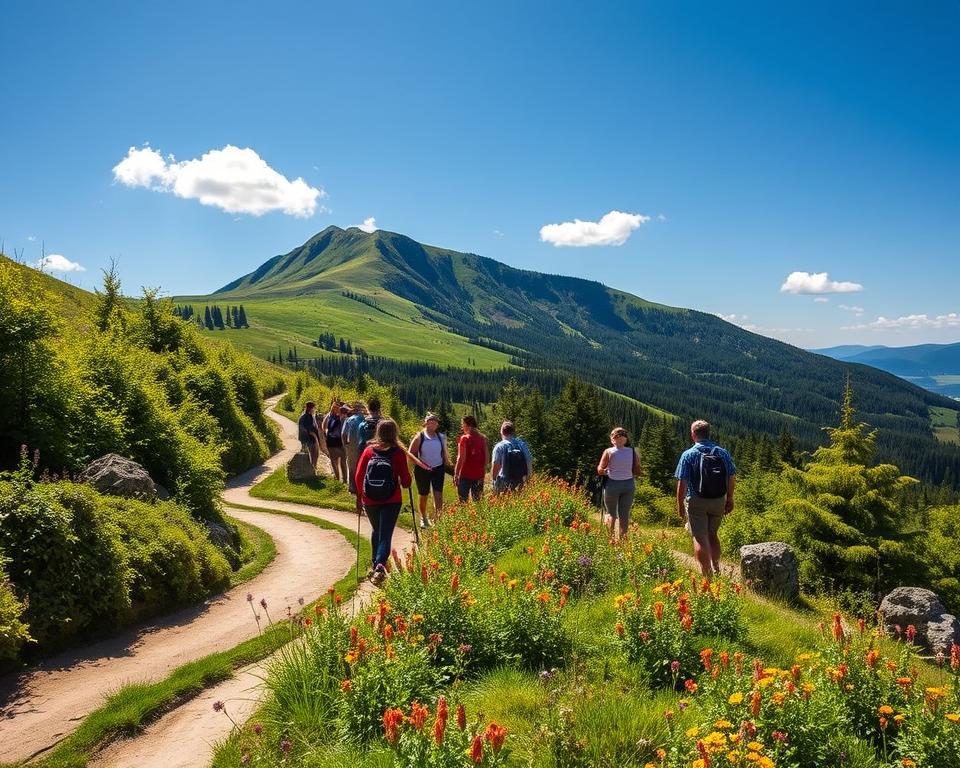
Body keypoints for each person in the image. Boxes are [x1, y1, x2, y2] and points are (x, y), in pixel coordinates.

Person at [674, 419, 737, 577]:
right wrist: (729, 498)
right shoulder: (722, 452)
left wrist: (680, 505)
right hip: (718, 500)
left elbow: (682, 482)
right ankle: (716, 568)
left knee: (700, 537)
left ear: (693, 434)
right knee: (713, 534)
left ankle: (706, 574)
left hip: (696, 500)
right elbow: (731, 476)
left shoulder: (688, 454)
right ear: (708, 433)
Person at [355, 419, 412, 586]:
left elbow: (358, 477)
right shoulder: (398, 453)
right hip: (391, 500)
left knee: (377, 530)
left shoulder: (368, 451)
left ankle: (375, 564)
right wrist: (408, 480)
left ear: (378, 432)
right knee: (385, 535)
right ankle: (380, 566)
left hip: (370, 499)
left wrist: (359, 497)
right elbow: (406, 481)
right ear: (395, 433)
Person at [597, 427, 642, 538]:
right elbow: (637, 470)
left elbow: (600, 470)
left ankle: (610, 539)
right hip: (628, 485)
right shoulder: (632, 451)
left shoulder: (609, 451)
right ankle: (623, 540)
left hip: (612, 485)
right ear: (626, 439)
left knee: (611, 513)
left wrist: (605, 471)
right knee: (624, 515)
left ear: (612, 439)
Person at [408, 413, 450, 528]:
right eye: (430, 421)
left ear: (437, 424)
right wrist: (420, 464)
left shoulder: (441, 437)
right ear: (425, 423)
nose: (433, 423)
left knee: (438, 494)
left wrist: (447, 463)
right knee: (423, 494)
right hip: (422, 470)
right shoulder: (419, 437)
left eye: (435, 422)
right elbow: (410, 454)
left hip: (438, 468)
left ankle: (439, 520)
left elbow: (444, 453)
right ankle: (423, 518)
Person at [490, 421, 532, 494]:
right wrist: (528, 478)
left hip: (504, 483)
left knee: (505, 503)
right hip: (520, 480)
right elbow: (529, 460)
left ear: (501, 432)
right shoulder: (521, 444)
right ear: (513, 432)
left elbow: (496, 466)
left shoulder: (499, 446)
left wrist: (494, 482)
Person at [454, 415, 487, 503]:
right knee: (478, 502)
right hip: (479, 474)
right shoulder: (483, 438)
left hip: (465, 474)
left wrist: (456, 474)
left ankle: (465, 517)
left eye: (462, 424)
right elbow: (486, 458)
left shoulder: (464, 438)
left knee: (463, 502)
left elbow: (461, 458)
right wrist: (483, 472)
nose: (462, 427)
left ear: (467, 425)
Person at [343, 401, 366, 501]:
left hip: (351, 446)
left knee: (352, 467)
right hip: (363, 446)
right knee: (362, 467)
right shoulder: (366, 420)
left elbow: (344, 434)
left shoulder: (349, 420)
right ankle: (362, 487)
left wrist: (346, 445)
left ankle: (352, 488)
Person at [322, 401, 348, 483]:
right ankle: (341, 480)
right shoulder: (331, 416)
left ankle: (340, 480)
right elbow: (324, 427)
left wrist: (327, 432)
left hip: (336, 441)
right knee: (337, 462)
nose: (336, 409)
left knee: (338, 462)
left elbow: (324, 427)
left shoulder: (332, 416)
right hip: (335, 441)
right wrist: (327, 432)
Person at [297, 401, 321, 469]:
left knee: (312, 455)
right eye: (314, 408)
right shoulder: (308, 417)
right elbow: (310, 430)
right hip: (310, 439)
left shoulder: (304, 416)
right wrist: (316, 439)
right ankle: (313, 469)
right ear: (311, 408)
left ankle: (313, 469)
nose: (315, 409)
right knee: (314, 454)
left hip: (306, 439)